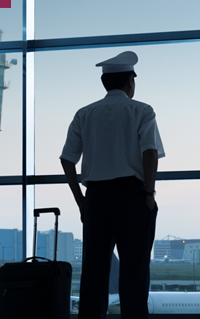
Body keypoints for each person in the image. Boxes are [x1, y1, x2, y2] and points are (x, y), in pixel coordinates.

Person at [60, 50, 165, 319]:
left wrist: (81, 201)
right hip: (132, 196)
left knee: (94, 274)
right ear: (130, 81)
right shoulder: (142, 110)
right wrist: (149, 194)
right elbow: (150, 153)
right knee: (135, 272)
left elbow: (67, 160)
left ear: (105, 83)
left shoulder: (84, 114)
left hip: (96, 197)